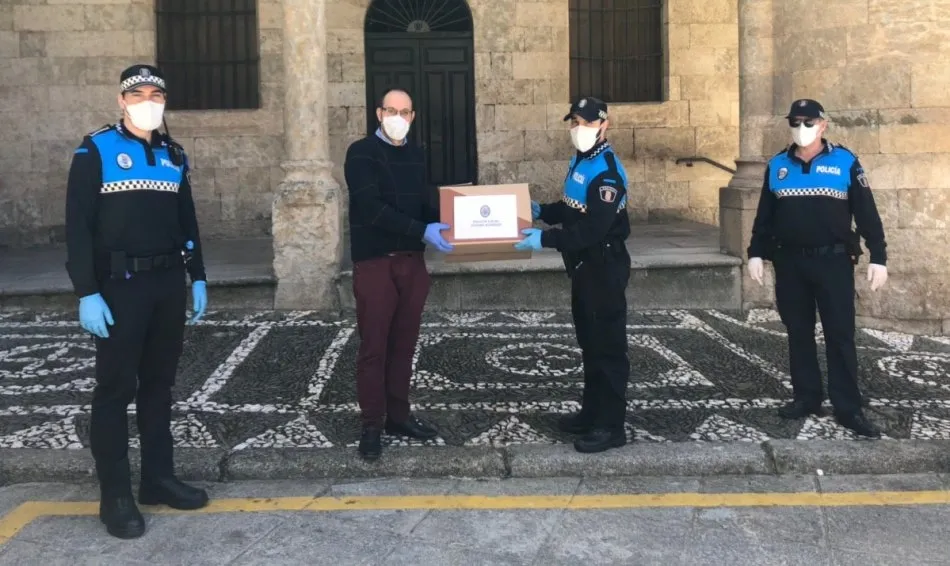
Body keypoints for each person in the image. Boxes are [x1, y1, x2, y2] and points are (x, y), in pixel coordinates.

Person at [65, 64, 210, 539]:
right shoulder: (96, 149)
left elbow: (186, 219)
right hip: (120, 287)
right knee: (114, 390)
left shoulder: (173, 153)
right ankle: (116, 494)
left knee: (159, 386)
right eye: (138, 93)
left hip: (167, 285)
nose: (148, 101)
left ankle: (157, 478)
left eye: (156, 94)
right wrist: (87, 291)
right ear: (121, 100)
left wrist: (198, 276)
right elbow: (78, 229)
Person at [747, 98, 888, 438]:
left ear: (823, 124)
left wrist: (879, 255)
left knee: (839, 334)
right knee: (798, 332)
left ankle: (848, 406)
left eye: (808, 122)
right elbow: (765, 216)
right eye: (795, 122)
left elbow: (866, 212)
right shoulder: (777, 165)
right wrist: (756, 252)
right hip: (790, 262)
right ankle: (806, 397)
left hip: (834, 261)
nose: (801, 128)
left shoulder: (845, 162)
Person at [515, 96, 631, 453]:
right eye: (574, 122)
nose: (578, 129)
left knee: (608, 348)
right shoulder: (582, 160)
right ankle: (591, 413)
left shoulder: (607, 171)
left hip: (603, 267)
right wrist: (541, 211)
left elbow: (593, 229)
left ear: (603, 125)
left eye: (586, 122)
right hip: (584, 267)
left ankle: (611, 427)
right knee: (590, 344)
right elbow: (572, 210)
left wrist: (544, 239)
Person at [343, 87, 453, 461]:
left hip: (411, 264)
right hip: (375, 262)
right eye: (391, 110)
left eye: (405, 112)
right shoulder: (361, 153)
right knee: (375, 347)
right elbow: (371, 208)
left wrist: (457, 220)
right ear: (378, 113)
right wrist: (422, 229)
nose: (398, 117)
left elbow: (423, 203)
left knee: (404, 345)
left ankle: (399, 416)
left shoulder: (416, 154)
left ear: (413, 117)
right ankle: (372, 423)